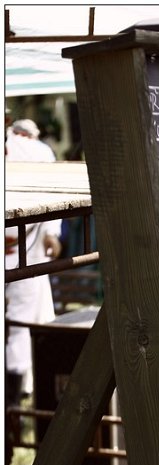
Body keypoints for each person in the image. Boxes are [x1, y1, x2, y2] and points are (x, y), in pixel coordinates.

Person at [5, 118, 62, 403]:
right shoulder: (40, 151)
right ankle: (15, 395)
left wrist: (50, 234)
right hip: (23, 251)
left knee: (24, 319)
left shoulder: (33, 150)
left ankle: (17, 392)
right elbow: (53, 193)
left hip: (25, 247)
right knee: (22, 321)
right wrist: (51, 234)